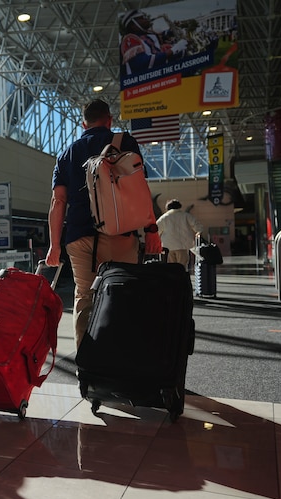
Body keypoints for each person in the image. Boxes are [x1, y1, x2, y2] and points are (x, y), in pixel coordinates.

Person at [45, 99, 162, 348]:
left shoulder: (66, 154)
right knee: (123, 295)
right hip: (120, 234)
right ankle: (120, 362)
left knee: (85, 297)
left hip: (79, 239)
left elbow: (58, 201)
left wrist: (54, 245)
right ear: (109, 120)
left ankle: (86, 367)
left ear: (83, 123)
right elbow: (140, 189)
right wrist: (152, 229)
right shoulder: (124, 143)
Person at [120, 9, 187, 76]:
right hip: (145, 83)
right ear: (133, 25)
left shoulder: (147, 35)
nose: (146, 19)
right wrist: (173, 50)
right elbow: (143, 63)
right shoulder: (130, 40)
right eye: (142, 18)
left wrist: (174, 30)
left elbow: (161, 38)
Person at [156, 199, 203, 270]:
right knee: (182, 267)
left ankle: (173, 280)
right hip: (183, 246)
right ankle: (182, 280)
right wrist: (198, 232)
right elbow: (197, 225)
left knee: (171, 268)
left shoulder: (164, 218)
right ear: (179, 206)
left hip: (168, 247)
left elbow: (156, 231)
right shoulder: (186, 216)